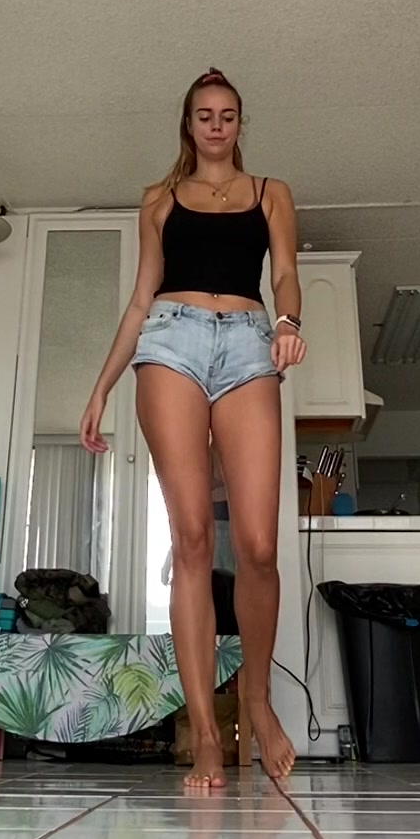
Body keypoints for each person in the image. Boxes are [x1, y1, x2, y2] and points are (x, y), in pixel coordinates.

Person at [80, 69, 306, 788]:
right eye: (204, 114)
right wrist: (101, 386)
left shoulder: (271, 193)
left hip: (247, 343)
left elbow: (286, 272)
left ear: (240, 124)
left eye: (228, 114)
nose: (216, 124)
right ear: (188, 123)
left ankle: (257, 702)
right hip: (170, 341)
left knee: (259, 545)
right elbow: (139, 300)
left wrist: (288, 322)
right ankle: (206, 734)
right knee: (192, 540)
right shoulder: (157, 199)